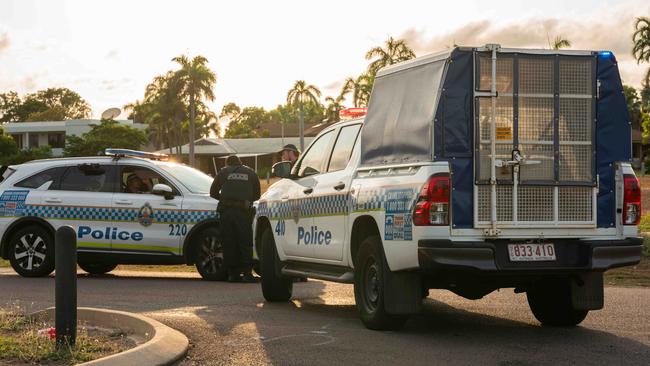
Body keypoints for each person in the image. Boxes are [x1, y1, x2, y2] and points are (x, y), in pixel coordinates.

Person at [210, 155, 260, 283]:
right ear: (240, 162)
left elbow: (213, 192)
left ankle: (233, 274)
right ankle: (247, 274)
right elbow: (257, 195)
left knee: (229, 241)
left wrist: (225, 199)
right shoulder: (251, 173)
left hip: (226, 212)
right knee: (245, 241)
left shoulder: (223, 172)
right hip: (244, 212)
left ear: (228, 163)